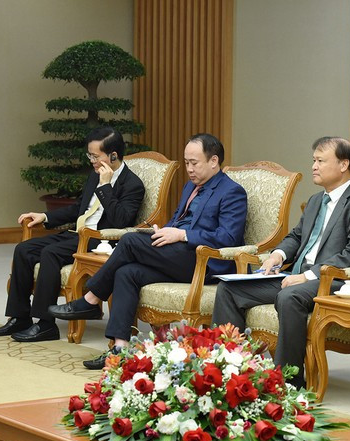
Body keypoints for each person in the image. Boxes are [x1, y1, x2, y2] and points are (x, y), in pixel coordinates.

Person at [49, 133, 247, 368]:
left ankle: (91, 298)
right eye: (186, 163)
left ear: (214, 161)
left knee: (131, 241)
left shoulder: (232, 192)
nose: (189, 169)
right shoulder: (190, 187)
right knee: (128, 272)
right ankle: (120, 349)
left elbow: (228, 237)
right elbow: (178, 220)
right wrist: (164, 231)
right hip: (177, 254)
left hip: (203, 262)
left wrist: (182, 235)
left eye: (195, 163)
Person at [211, 136, 350, 387]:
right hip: (297, 277)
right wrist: (277, 256)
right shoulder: (315, 201)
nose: (314, 166)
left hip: (336, 282)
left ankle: (287, 381)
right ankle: (232, 369)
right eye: (314, 160)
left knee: (289, 296)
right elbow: (296, 237)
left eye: (321, 161)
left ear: (344, 165)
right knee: (229, 290)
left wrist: (307, 276)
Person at [0, 127, 145, 343]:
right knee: (24, 250)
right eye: (89, 155)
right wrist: (44, 216)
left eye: (95, 155)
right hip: (77, 233)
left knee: (50, 253)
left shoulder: (132, 184)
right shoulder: (94, 175)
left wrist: (106, 186)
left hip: (100, 240)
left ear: (113, 155)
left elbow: (121, 220)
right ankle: (20, 317)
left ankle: (46, 325)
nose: (91, 160)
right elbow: (77, 209)